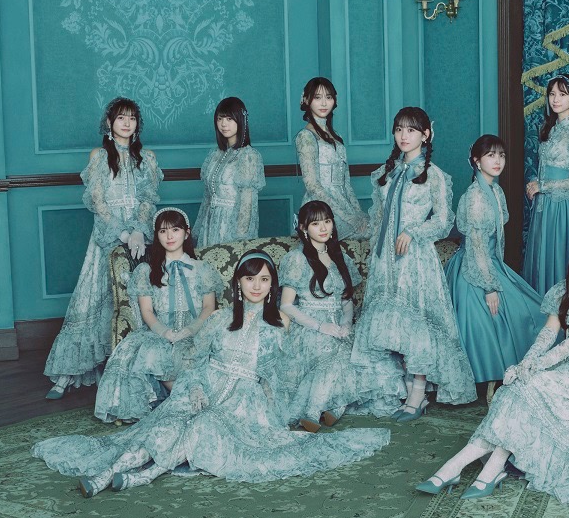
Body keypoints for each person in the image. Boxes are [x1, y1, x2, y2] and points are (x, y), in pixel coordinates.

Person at [34, 253, 390, 497]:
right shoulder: (220, 320)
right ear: (238, 283)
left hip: (242, 403)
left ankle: (146, 475)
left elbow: (278, 377)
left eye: (264, 279)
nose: (256, 285)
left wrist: (267, 403)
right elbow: (196, 362)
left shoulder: (278, 327)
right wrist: (194, 389)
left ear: (272, 285)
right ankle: (104, 475)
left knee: (203, 428)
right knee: (166, 427)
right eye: (249, 278)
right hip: (205, 388)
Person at [416, 218, 569, 503]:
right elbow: (549, 333)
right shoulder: (568, 285)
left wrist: (534, 367)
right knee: (522, 387)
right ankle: (480, 467)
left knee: (528, 386)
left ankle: (460, 467)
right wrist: (526, 363)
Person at [350, 107, 475, 419]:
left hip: (415, 259)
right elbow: (377, 219)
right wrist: (375, 253)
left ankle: (418, 396)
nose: (404, 136)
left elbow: (445, 221)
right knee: (394, 327)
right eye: (399, 129)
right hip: (386, 261)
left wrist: (413, 230)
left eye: (411, 130)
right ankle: (401, 389)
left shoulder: (435, 176)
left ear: (425, 134)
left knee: (417, 327)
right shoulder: (385, 173)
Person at [44, 97, 162, 399]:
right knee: (92, 298)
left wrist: (138, 231)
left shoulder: (147, 157)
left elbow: (148, 200)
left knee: (134, 300)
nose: (127, 123)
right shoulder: (98, 156)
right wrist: (122, 233)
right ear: (109, 123)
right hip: (107, 235)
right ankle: (67, 374)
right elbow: (98, 203)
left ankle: (132, 370)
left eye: (132, 118)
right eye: (121, 117)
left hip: (139, 238)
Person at [94, 208, 222, 423]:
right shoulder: (147, 271)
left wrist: (191, 329)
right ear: (157, 236)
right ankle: (187, 400)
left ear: (187, 233)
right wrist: (165, 333)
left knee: (202, 351)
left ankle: (199, 400)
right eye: (163, 231)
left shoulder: (202, 269)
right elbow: (147, 311)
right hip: (161, 331)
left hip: (198, 328)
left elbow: (209, 306)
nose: (169, 236)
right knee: (153, 353)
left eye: (175, 230)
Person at [445, 135, 545, 388]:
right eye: (490, 155)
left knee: (532, 309)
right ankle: (492, 373)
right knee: (495, 312)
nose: (498, 160)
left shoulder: (495, 191)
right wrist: (489, 287)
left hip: (492, 263)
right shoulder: (475, 197)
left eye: (501, 155)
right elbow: (477, 246)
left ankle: (517, 367)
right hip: (474, 266)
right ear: (477, 162)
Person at [278, 201, 361, 431]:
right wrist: (320, 326)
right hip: (310, 327)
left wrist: (346, 324)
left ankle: (337, 406)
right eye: (315, 223)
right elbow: (286, 305)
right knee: (334, 357)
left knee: (357, 354)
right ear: (303, 228)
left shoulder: (340, 256)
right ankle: (313, 411)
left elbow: (346, 300)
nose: (323, 228)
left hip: (339, 324)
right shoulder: (297, 258)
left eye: (327, 221)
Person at [522, 74, 569, 295]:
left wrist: (544, 186)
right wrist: (536, 183)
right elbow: (547, 168)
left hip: (562, 208)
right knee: (542, 259)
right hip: (544, 208)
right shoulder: (550, 129)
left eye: (562, 94)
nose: (555, 99)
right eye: (552, 94)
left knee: (561, 261)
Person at [295, 77, 369, 240]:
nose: (324, 103)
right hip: (321, 209)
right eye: (317, 97)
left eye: (328, 97)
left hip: (344, 204)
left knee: (372, 228)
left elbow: (346, 183)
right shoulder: (305, 136)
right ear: (306, 100)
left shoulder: (337, 137)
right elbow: (312, 186)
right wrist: (346, 217)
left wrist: (357, 213)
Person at [194, 96, 265, 245]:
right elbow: (207, 197)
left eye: (229, 119)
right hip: (210, 220)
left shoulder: (248, 155)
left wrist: (241, 238)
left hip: (230, 222)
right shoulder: (215, 154)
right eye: (220, 119)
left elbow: (247, 202)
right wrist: (199, 227)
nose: (223, 124)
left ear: (241, 120)